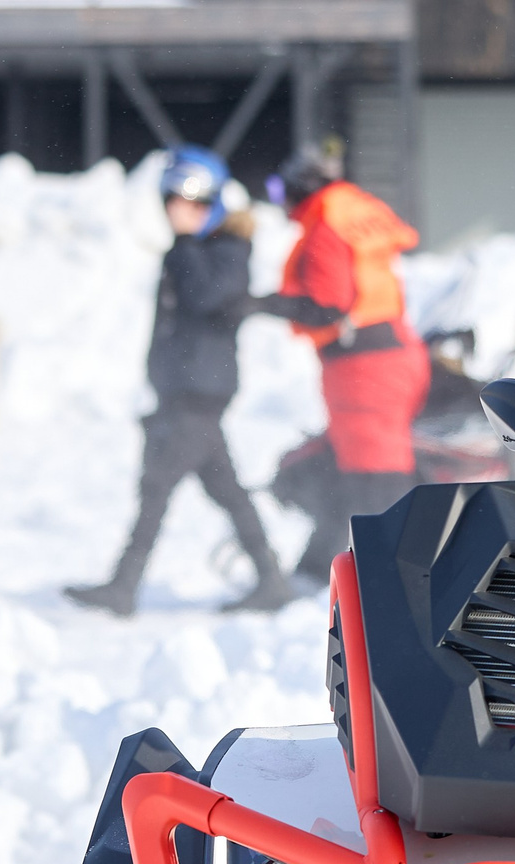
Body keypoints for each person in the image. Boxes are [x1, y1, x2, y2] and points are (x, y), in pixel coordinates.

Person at [69, 146, 289, 616]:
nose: (178, 212)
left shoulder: (226, 249)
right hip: (186, 393)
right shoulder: (191, 249)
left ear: (212, 204)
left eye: (191, 203)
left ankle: (123, 587)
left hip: (198, 394)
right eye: (172, 202)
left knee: (156, 490)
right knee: (225, 492)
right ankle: (271, 579)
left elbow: (205, 297)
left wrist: (187, 242)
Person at [250, 142, 429, 588]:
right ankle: (318, 569)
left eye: (280, 190)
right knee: (347, 469)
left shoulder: (325, 227)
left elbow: (326, 306)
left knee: (377, 480)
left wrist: (263, 304)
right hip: (394, 353)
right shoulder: (352, 209)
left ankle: (391, 579)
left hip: (363, 369)